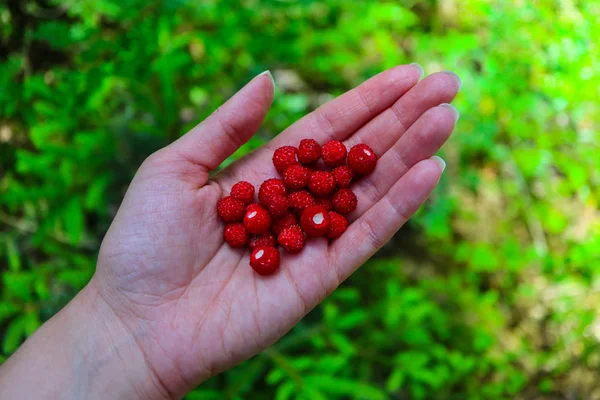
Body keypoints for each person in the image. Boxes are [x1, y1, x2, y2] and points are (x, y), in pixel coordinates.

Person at [0, 64, 460, 399]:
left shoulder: (305, 198)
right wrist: (120, 315)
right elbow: (283, 213)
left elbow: (306, 207)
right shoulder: (260, 211)